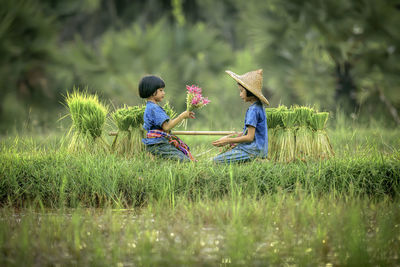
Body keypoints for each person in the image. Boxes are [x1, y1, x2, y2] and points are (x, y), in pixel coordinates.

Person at [212, 69, 269, 163]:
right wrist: (231, 137)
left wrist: (228, 141)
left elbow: (250, 137)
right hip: (259, 150)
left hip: (252, 150)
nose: (240, 94)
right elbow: (249, 133)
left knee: (216, 161)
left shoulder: (253, 110)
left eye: (242, 91)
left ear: (250, 92)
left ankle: (253, 160)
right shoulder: (259, 107)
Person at [139, 75, 195, 162]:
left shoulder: (149, 107)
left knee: (178, 158)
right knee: (185, 161)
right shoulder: (154, 108)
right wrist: (182, 116)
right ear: (152, 91)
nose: (163, 93)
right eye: (161, 90)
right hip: (158, 144)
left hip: (154, 143)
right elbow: (167, 127)